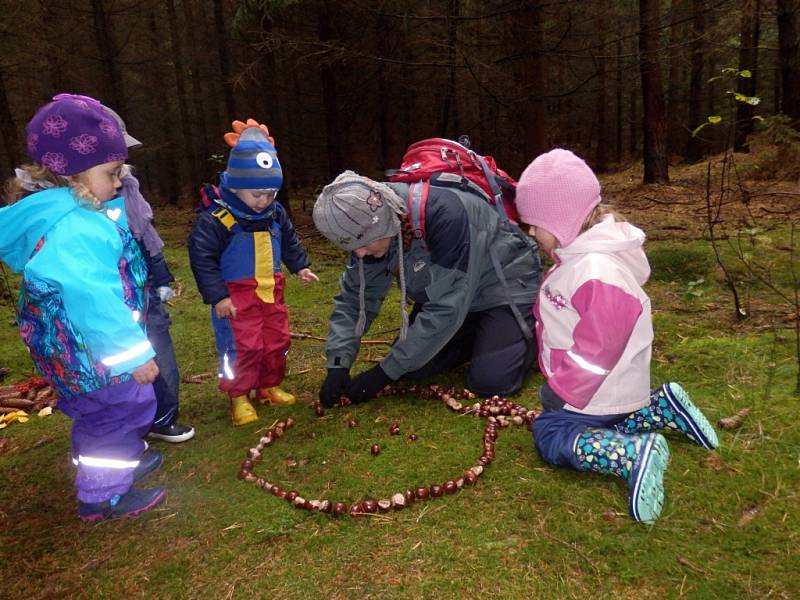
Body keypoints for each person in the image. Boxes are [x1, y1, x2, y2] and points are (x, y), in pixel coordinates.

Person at [514, 148, 719, 523]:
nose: (530, 232)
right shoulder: (585, 257)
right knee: (587, 419)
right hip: (610, 389)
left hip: (595, 391)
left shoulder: (595, 269)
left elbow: (600, 347)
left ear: (561, 219)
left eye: (535, 223)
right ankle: (660, 409)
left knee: (550, 433)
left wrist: (563, 391)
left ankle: (630, 454)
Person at [0, 93, 166, 521]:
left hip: (67, 349)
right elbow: (94, 299)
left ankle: (97, 466)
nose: (117, 183)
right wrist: (137, 356)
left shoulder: (53, 214)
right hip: (93, 351)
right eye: (111, 173)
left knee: (95, 411)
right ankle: (104, 494)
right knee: (125, 407)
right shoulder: (76, 227)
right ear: (73, 174)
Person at [312, 170, 542, 407]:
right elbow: (355, 299)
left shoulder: (445, 216)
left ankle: (526, 333)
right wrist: (338, 363)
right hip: (452, 292)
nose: (360, 253)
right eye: (352, 248)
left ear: (382, 224)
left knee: (492, 381)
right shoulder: (368, 230)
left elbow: (445, 308)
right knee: (412, 368)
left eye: (362, 244)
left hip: (503, 286)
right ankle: (477, 333)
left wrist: (384, 373)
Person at [188, 120, 318, 426]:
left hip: (271, 289)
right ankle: (239, 395)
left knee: (276, 340)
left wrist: (300, 265)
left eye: (271, 193)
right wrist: (217, 296)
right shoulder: (217, 218)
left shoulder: (274, 212)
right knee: (241, 345)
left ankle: (268, 385)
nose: (264, 201)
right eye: (257, 194)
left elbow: (288, 239)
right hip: (235, 297)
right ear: (235, 185)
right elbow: (202, 258)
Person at [101, 104, 195, 443]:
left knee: (158, 345)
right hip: (110, 296)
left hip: (143, 286)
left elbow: (144, 237)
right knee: (118, 359)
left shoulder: (128, 188)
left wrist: (161, 278)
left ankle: (163, 415)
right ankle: (125, 425)